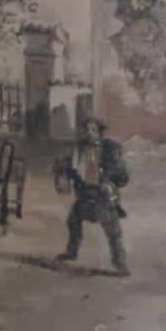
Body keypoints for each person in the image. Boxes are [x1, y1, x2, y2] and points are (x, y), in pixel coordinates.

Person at [59, 118, 131, 276]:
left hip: (102, 195)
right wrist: (65, 173)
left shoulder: (109, 149)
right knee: (73, 221)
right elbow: (70, 167)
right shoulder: (80, 148)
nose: (89, 133)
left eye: (92, 130)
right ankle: (72, 252)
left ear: (99, 132)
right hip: (85, 192)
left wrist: (106, 177)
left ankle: (120, 264)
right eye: (87, 129)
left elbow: (121, 173)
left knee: (113, 231)